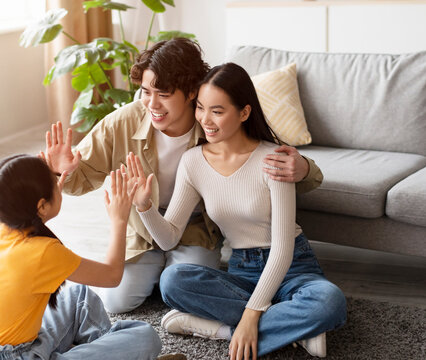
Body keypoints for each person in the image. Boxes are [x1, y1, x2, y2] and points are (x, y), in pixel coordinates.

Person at [43, 37, 324, 314]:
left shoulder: (214, 121)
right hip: (142, 229)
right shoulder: (123, 122)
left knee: (179, 289)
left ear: (190, 92)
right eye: (146, 91)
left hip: (194, 230)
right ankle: (155, 272)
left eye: (163, 94)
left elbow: (263, 150)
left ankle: (168, 277)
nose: (152, 103)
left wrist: (304, 169)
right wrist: (61, 170)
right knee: (117, 301)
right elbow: (80, 180)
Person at [126, 63, 347, 360]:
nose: (206, 119)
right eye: (201, 108)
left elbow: (282, 251)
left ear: (244, 113)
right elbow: (168, 239)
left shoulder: (273, 158)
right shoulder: (192, 162)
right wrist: (144, 206)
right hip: (243, 270)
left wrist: (249, 318)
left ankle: (222, 331)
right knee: (172, 280)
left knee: (329, 302)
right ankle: (298, 329)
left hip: (293, 266)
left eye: (217, 111)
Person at [0, 154, 162, 360]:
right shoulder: (43, 252)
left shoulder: (0, 227)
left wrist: (52, 171)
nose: (60, 186)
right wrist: (119, 219)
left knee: (79, 296)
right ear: (41, 206)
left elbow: (21, 195)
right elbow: (112, 276)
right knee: (147, 337)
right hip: (16, 356)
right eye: (54, 183)